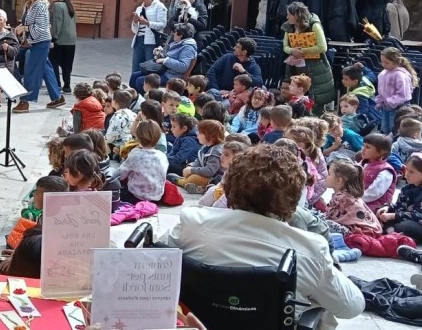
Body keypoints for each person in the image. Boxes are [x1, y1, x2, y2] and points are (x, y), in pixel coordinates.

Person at [163, 144, 365, 327]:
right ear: (294, 198)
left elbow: (155, 257)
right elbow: (351, 307)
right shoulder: (310, 248)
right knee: (323, 305)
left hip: (201, 323)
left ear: (229, 186)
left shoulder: (192, 222)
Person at [14, 0, 65, 113]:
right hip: (33, 41)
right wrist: (21, 27)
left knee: (30, 70)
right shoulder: (28, 4)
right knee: (45, 70)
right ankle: (57, 97)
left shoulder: (40, 6)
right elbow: (27, 22)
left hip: (40, 42)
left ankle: (25, 101)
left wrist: (24, 28)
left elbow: (41, 27)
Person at [380, 153, 422, 247]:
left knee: (404, 226)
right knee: (379, 212)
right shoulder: (408, 188)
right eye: (406, 169)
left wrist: (393, 216)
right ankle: (395, 234)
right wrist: (387, 208)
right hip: (410, 219)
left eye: (411, 172)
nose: (406, 174)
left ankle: (395, 233)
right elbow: (399, 206)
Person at [282, 2, 333, 114]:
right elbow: (285, 46)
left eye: (289, 15)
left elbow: (322, 47)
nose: (287, 17)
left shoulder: (314, 25)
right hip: (296, 67)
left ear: (297, 15)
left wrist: (302, 51)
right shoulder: (289, 27)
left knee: (316, 100)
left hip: (314, 67)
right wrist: (292, 50)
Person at [130, 23, 197, 92]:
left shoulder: (188, 48)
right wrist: (160, 54)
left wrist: (165, 60)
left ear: (181, 35)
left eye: (175, 32)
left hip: (171, 75)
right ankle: (135, 96)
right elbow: (170, 56)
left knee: (140, 81)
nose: (173, 33)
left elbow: (183, 66)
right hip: (164, 70)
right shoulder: (178, 43)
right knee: (134, 76)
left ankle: (147, 97)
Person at [118, 120, 167, 204]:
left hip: (136, 196)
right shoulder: (162, 156)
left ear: (138, 137)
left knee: (115, 189)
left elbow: (120, 175)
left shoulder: (135, 154)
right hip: (157, 197)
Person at [169, 119, 225, 194]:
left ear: (211, 136)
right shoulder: (205, 147)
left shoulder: (215, 151)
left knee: (194, 178)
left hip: (215, 179)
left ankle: (178, 181)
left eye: (200, 132)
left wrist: (192, 170)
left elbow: (209, 171)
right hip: (205, 176)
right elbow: (198, 161)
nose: (197, 133)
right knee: (191, 175)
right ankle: (199, 188)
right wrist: (190, 166)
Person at [375, 47, 417, 134]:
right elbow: (381, 90)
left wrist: (391, 102)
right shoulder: (383, 73)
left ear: (395, 61)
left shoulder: (400, 75)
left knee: (394, 129)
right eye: (382, 62)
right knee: (384, 128)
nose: (383, 65)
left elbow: (403, 94)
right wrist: (380, 101)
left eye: (387, 62)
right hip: (386, 106)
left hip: (398, 107)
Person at [129, 0, 167, 74]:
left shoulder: (159, 6)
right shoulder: (139, 8)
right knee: (136, 67)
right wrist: (135, 22)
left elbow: (162, 25)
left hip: (151, 42)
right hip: (138, 40)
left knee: (149, 68)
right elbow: (134, 30)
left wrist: (147, 23)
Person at [47, 0, 77, 92]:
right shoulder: (69, 5)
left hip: (60, 40)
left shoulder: (57, 6)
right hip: (71, 40)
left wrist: (53, 38)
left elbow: (56, 24)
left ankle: (57, 85)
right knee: (67, 65)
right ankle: (67, 86)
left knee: (53, 62)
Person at [359, 133, 397, 211]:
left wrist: (355, 199)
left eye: (368, 147)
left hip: (376, 206)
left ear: (381, 152)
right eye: (363, 145)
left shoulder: (386, 171)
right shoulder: (363, 163)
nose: (363, 149)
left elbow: (374, 193)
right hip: (360, 200)